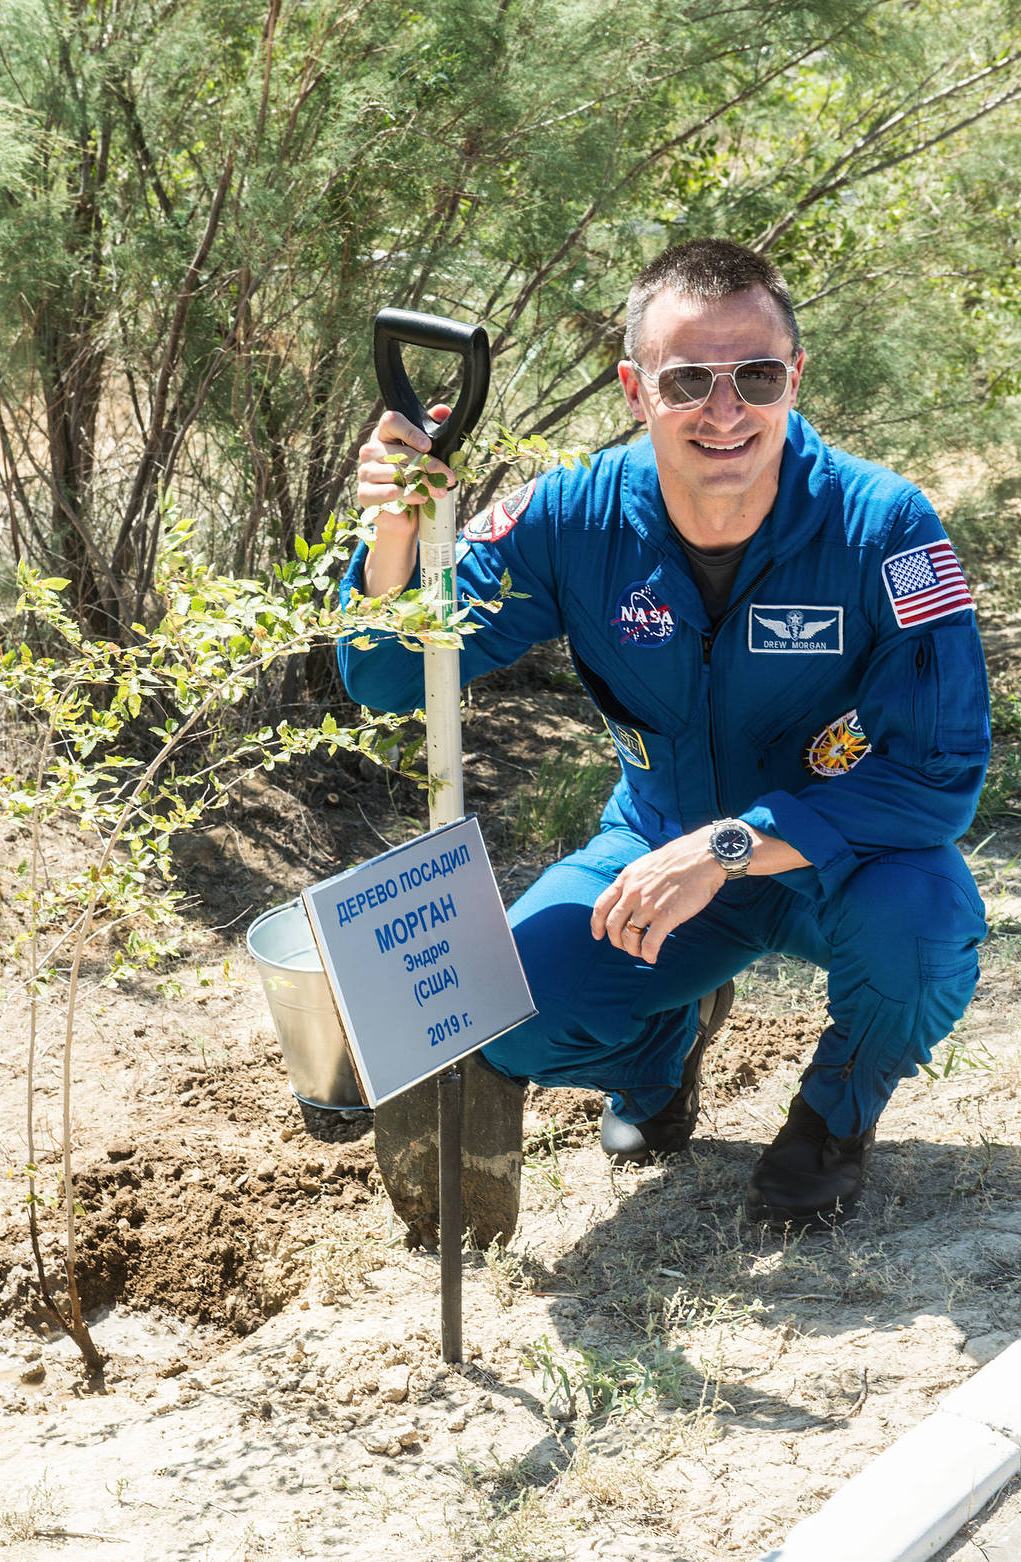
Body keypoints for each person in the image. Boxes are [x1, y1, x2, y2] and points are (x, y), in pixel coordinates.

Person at [339, 238, 989, 1236]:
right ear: (636, 388)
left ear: (794, 379)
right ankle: (660, 1054)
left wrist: (728, 848)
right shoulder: (573, 516)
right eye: (688, 378)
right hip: (653, 848)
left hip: (837, 865)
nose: (725, 411)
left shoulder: (883, 526)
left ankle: (834, 1114)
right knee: (507, 1011)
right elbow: (386, 674)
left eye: (756, 376)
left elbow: (938, 779)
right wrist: (393, 531)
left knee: (924, 929)